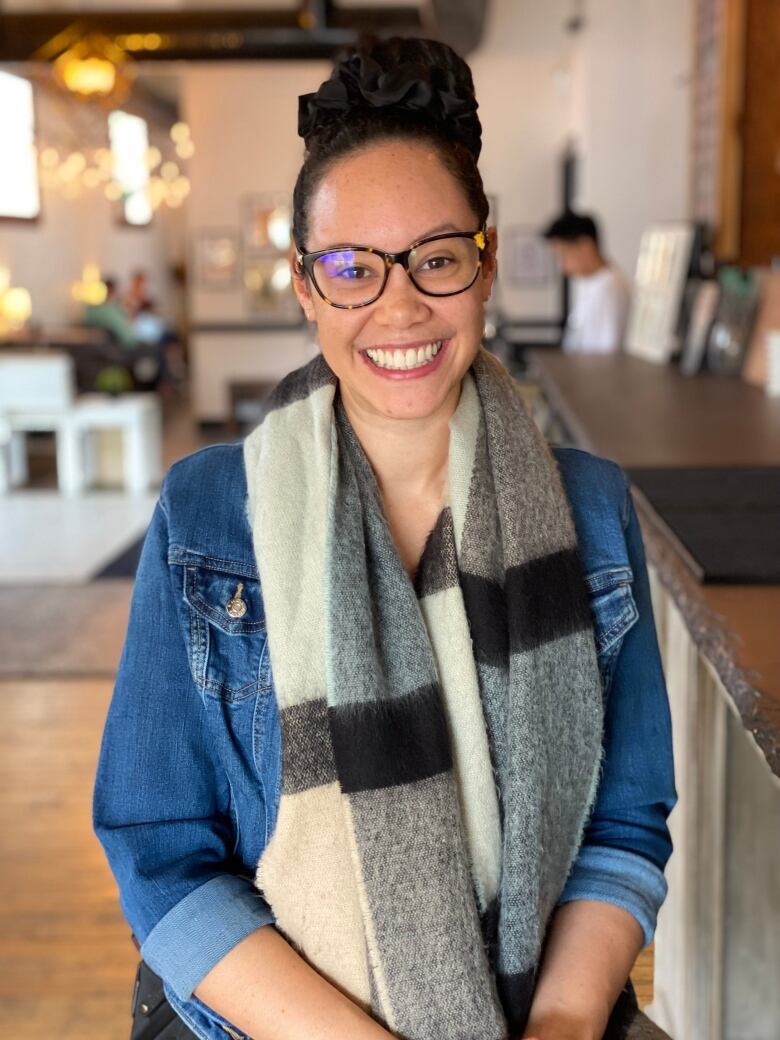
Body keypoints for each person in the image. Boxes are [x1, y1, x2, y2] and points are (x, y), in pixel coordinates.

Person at [94, 38, 675, 1040]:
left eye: (436, 259)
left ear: (483, 266)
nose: (399, 305)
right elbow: (161, 848)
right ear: (307, 284)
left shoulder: (591, 510)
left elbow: (621, 827)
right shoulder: (208, 512)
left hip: (539, 1001)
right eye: (353, 268)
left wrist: (565, 1019)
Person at [542, 211, 631, 354]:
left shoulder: (609, 288)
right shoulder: (593, 283)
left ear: (585, 245)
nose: (562, 266)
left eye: (563, 254)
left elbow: (606, 356)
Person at [83, 276, 139, 350]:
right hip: (120, 350)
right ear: (112, 292)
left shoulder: (89, 311)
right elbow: (128, 339)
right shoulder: (109, 312)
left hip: (102, 351)